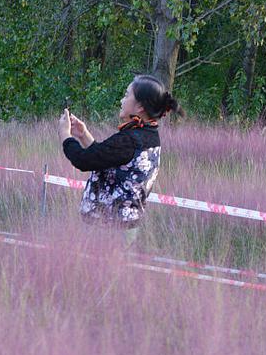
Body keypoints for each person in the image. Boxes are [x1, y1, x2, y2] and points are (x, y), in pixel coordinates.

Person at [59, 75, 182, 245]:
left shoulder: (130, 140)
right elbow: (109, 160)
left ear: (140, 107)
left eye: (126, 95)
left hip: (108, 230)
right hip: (126, 228)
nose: (122, 100)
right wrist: (83, 135)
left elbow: (83, 160)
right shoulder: (149, 136)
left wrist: (65, 136)